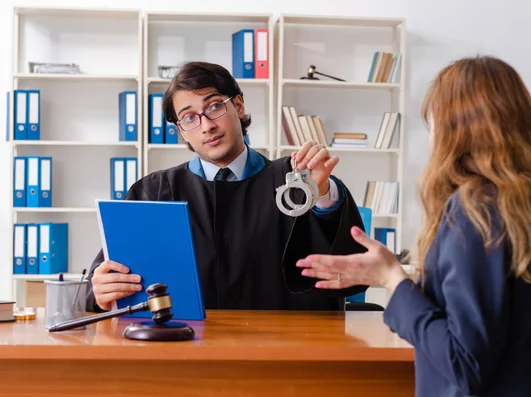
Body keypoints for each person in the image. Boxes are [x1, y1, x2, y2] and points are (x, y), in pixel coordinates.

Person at [296, 55, 531, 396]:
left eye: (432, 124)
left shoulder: (476, 212)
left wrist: (391, 279)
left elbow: (463, 363)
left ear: (454, 130)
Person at [85, 61, 367, 312]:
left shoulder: (297, 180)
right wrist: (100, 291)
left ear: (239, 106)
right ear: (181, 130)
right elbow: (96, 287)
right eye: (189, 117)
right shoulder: (154, 192)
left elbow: (352, 273)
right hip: (185, 352)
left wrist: (323, 195)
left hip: (282, 354)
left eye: (214, 106)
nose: (206, 125)